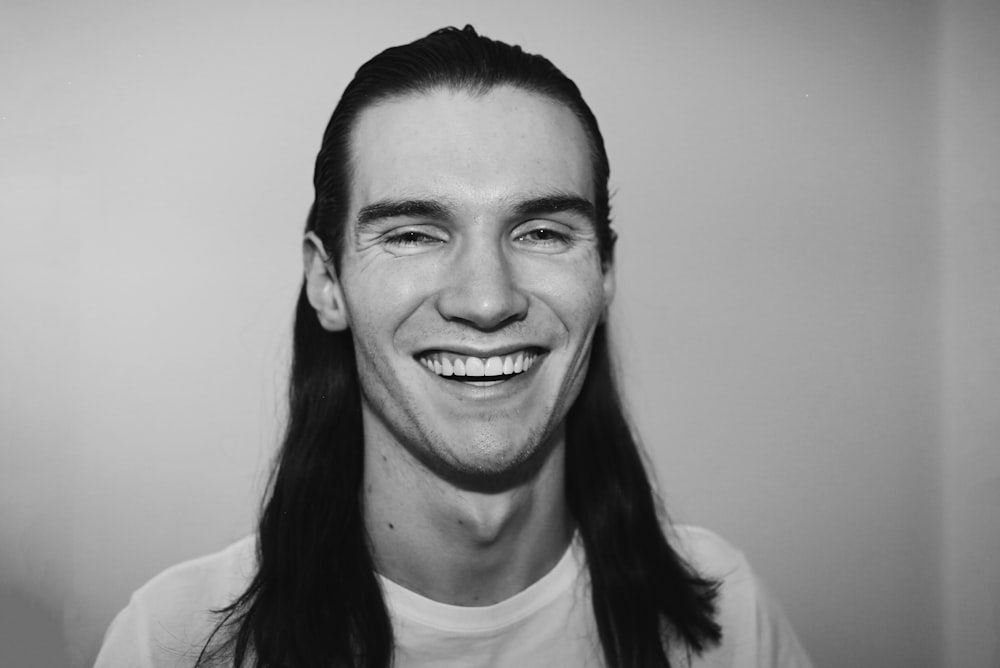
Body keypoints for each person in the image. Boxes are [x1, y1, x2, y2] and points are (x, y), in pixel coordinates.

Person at [95, 26, 814, 668]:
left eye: (541, 232)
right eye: (412, 234)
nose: (486, 300)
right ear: (328, 282)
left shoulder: (728, 622)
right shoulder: (175, 643)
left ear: (604, 274)